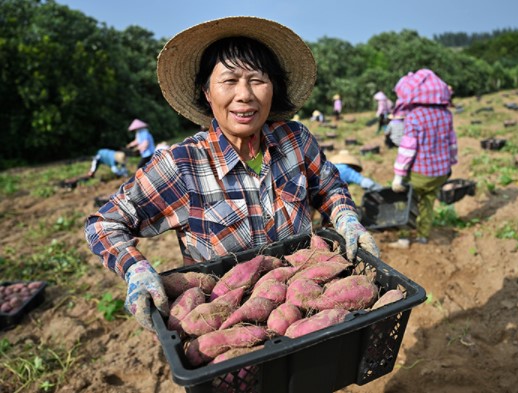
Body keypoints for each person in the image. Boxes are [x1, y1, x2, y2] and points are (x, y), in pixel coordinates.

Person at [85, 16, 380, 331]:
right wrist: (136, 269)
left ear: (273, 88)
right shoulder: (182, 165)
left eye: (257, 80)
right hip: (223, 319)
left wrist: (347, 218)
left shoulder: (295, 140)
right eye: (229, 80)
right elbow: (104, 224)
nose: (245, 95)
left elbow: (330, 186)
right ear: (208, 92)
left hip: (303, 304)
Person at [389, 69, 457, 248]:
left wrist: (398, 175)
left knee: (405, 202)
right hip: (440, 173)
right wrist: (451, 164)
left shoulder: (414, 116)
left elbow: (407, 149)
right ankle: (423, 236)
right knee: (428, 202)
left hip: (420, 173)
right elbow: (452, 143)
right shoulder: (446, 114)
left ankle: (404, 237)